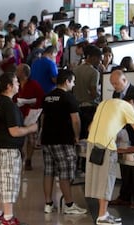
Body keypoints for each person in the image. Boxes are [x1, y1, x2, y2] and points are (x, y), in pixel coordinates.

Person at [85, 97, 134, 225]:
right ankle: (102, 217)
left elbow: (90, 128)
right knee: (107, 180)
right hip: (106, 146)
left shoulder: (104, 103)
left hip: (92, 144)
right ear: (133, 102)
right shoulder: (128, 107)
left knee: (100, 180)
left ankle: (103, 213)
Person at [0, 72, 38, 225]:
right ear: (9, 87)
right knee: (9, 182)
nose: (19, 84)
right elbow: (14, 131)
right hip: (8, 149)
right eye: (16, 82)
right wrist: (31, 128)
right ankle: (8, 218)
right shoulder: (8, 105)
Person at [41, 69, 87, 215]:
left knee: (48, 172)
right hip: (63, 140)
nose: (73, 85)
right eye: (72, 81)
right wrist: (77, 136)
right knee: (65, 173)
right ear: (67, 81)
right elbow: (76, 120)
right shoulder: (69, 98)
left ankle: (48, 204)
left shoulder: (47, 97)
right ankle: (69, 204)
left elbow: (43, 118)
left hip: (47, 139)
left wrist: (42, 132)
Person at [109, 69, 134, 209]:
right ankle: (124, 196)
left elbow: (131, 113)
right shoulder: (116, 94)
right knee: (125, 166)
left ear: (124, 80)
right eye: (113, 84)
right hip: (123, 135)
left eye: (117, 83)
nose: (115, 87)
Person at [14, 63, 45, 170]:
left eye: (18, 70)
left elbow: (41, 99)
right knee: (18, 137)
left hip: (31, 115)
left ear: (24, 73)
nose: (16, 72)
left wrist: (33, 103)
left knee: (31, 139)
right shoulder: (15, 84)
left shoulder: (34, 85)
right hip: (18, 114)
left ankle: (29, 159)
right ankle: (20, 154)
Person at [72, 45, 102, 139]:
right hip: (89, 108)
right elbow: (93, 91)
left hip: (77, 106)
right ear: (91, 57)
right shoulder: (94, 72)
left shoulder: (75, 70)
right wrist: (99, 95)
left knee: (80, 135)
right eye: (98, 58)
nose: (99, 61)